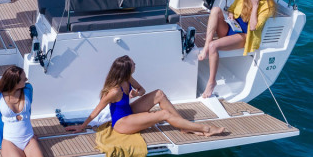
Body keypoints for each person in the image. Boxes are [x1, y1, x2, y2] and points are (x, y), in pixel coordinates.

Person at [65, 56, 225, 137]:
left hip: (129, 112)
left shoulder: (126, 79)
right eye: (133, 64)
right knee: (163, 114)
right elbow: (97, 110)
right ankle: (206, 129)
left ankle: (183, 126)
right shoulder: (114, 91)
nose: (136, 65)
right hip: (122, 124)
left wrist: (136, 93)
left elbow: (141, 89)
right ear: (127, 70)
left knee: (159, 94)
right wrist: (82, 125)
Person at [198, 0, 275, 98]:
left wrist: (255, 5)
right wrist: (230, 15)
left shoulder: (267, 6)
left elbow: (253, 27)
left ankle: (212, 82)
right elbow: (232, 9)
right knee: (216, 9)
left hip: (245, 36)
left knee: (214, 46)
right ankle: (206, 45)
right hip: (232, 28)